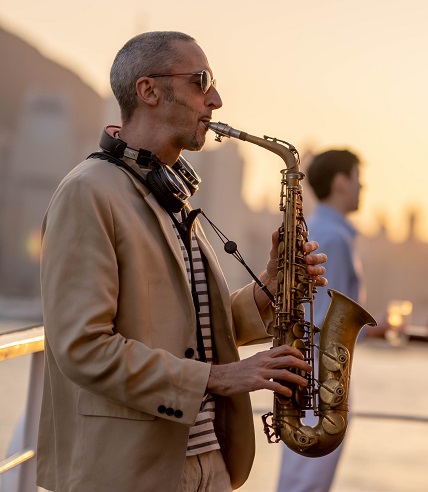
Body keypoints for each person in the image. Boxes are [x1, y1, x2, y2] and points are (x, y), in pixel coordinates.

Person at [37, 31, 327, 492]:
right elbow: (83, 347)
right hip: (129, 470)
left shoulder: (167, 195)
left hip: (208, 462)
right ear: (148, 91)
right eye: (200, 81)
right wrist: (222, 377)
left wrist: (272, 288)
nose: (216, 99)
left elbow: (190, 331)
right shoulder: (88, 192)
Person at [276, 149, 383, 492]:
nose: (362, 187)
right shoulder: (333, 237)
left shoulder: (320, 228)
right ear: (340, 182)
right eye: (357, 178)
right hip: (320, 381)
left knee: (299, 479)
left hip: (309, 376)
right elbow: (323, 316)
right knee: (308, 482)